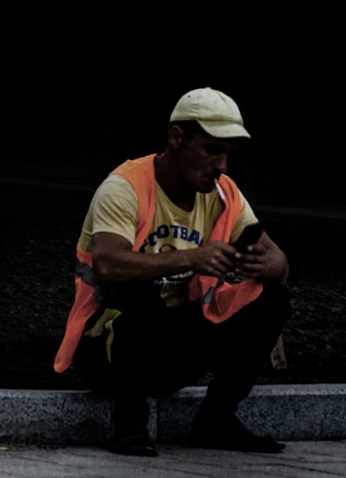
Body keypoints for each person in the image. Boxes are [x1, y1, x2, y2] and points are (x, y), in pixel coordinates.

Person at [53, 87, 292, 457]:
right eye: (212, 150)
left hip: (171, 351)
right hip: (106, 353)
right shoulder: (125, 187)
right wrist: (191, 259)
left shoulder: (223, 193)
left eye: (227, 154)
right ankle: (129, 425)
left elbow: (278, 260)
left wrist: (265, 265)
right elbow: (107, 264)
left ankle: (216, 421)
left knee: (272, 298)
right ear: (176, 137)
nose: (221, 166)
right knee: (138, 287)